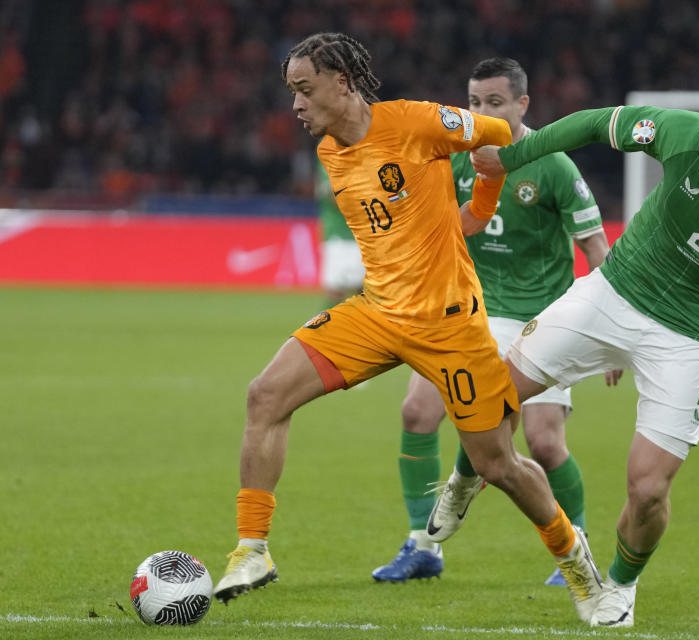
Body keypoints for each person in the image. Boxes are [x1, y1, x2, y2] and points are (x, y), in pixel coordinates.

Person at [212, 33, 604, 623]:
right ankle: (252, 550)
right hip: (376, 314)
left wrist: (487, 194)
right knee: (265, 395)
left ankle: (574, 559)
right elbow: (425, 221)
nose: (294, 105)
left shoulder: (418, 122)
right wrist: (471, 212)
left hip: (450, 324)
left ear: (341, 82)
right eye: (291, 92)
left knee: (498, 464)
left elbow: (499, 138)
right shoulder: (329, 151)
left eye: (303, 89)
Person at [439, 92, 699, 627]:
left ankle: (620, 587)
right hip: (615, 292)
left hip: (692, 339)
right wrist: (514, 156)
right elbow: (590, 122)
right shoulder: (680, 132)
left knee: (649, 488)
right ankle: (462, 481)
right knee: (491, 393)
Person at [370, 57, 613, 586]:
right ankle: (422, 545)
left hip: (541, 320)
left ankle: (578, 544)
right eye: (475, 103)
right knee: (416, 412)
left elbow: (596, 247)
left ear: (523, 105)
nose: (482, 112)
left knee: (545, 444)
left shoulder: (552, 164)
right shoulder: (456, 156)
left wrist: (612, 333)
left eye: (495, 103)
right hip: (468, 311)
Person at [316, 161, 364, 300]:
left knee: (362, 289)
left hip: (359, 233)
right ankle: (332, 321)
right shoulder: (328, 147)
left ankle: (362, 321)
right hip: (341, 234)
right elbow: (333, 195)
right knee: (336, 288)